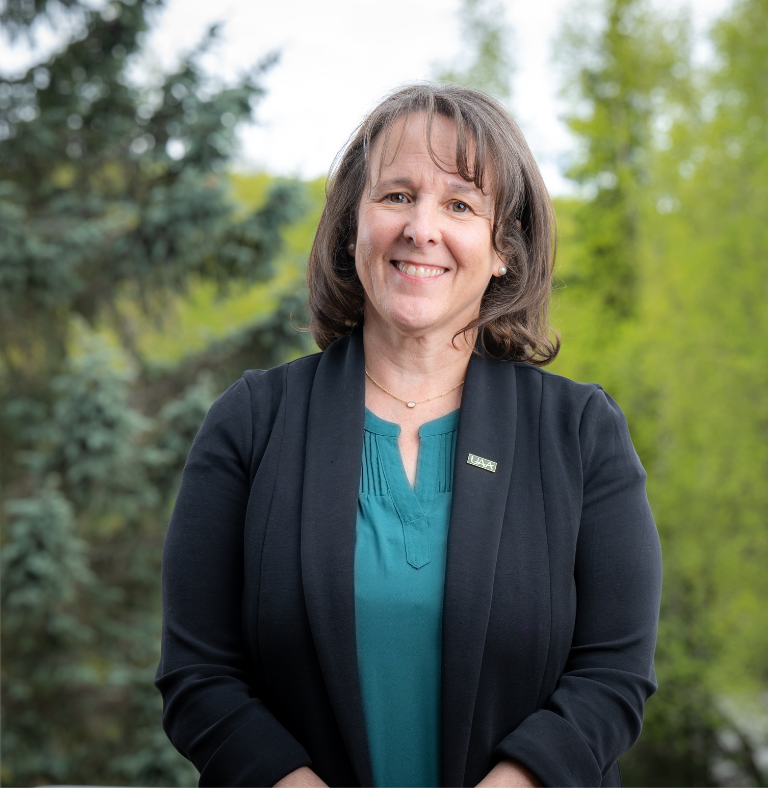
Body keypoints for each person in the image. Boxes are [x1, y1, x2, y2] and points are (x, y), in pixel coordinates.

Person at [155, 83, 662, 788]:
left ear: (503, 250)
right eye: (396, 196)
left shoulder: (580, 435)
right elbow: (198, 676)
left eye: (459, 204)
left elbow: (613, 676)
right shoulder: (252, 422)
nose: (421, 229)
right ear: (351, 228)